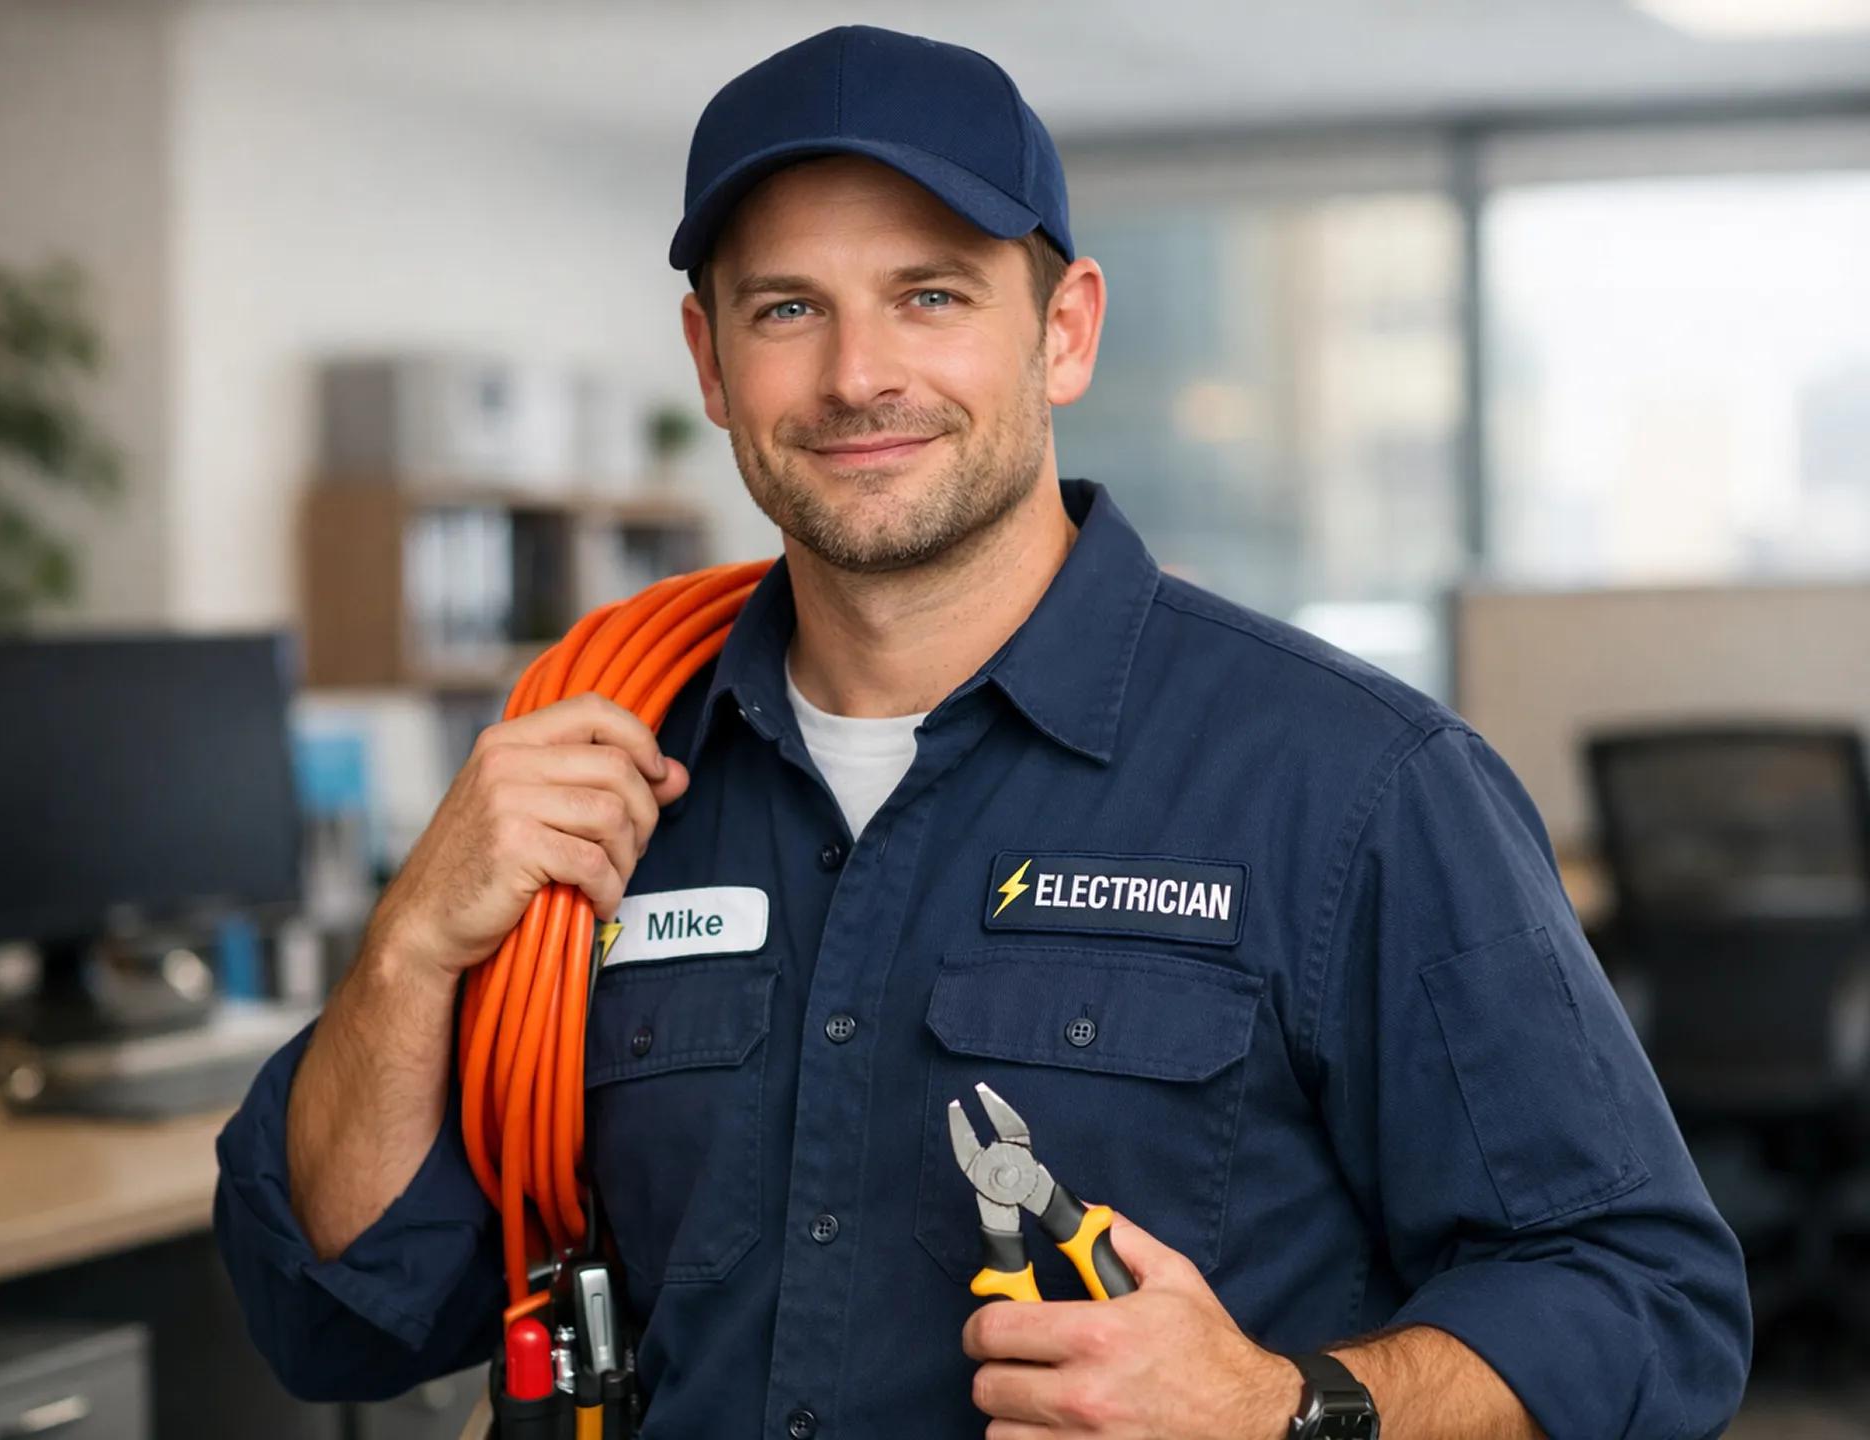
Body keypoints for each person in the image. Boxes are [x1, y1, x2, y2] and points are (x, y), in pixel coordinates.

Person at [215, 23, 1751, 1439]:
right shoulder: (587, 772)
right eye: (787, 308)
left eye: (932, 294)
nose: (857, 373)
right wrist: (412, 942)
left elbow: (1644, 1302)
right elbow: (345, 1319)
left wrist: (1291, 1409)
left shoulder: (1353, 785)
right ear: (709, 362)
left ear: (1063, 331)